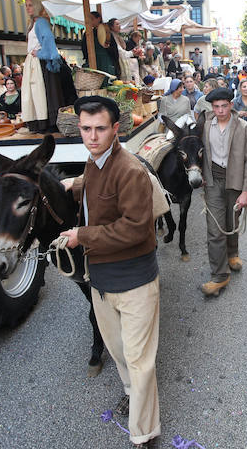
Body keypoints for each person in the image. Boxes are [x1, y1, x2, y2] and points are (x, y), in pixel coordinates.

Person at [58, 96, 160, 449]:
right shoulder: (92, 163)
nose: (92, 136)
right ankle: (135, 401)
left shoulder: (130, 170)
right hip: (101, 281)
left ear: (116, 129)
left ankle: (143, 434)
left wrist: (81, 235)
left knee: (139, 360)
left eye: (100, 128)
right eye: (86, 129)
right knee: (119, 354)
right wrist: (70, 188)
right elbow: (94, 193)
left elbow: (135, 228)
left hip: (134, 282)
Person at [199, 88, 247, 296]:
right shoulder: (205, 125)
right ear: (211, 107)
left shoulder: (244, 128)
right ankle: (219, 276)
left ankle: (232, 253)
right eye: (216, 107)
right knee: (215, 229)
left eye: (224, 106)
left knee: (232, 222)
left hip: (236, 181)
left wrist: (246, 191)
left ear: (231, 105)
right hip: (213, 180)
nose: (220, 111)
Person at [22, 0, 77, 133]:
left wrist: (40, 54)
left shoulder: (40, 22)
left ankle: (47, 123)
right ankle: (42, 122)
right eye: (26, 5)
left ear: (37, 7)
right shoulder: (35, 23)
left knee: (43, 92)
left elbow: (49, 42)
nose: (28, 8)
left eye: (30, 5)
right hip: (36, 63)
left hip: (40, 64)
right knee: (39, 93)